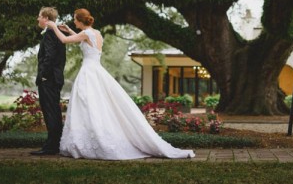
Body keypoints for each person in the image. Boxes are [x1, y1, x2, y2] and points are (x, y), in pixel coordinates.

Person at [46, 8, 194, 160]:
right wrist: (69, 30)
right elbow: (81, 38)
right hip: (96, 70)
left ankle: (91, 140)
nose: (74, 22)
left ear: (80, 20)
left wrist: (54, 27)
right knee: (93, 104)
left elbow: (64, 40)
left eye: (75, 19)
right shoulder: (96, 33)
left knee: (88, 104)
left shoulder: (86, 34)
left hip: (88, 73)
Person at [31, 7, 66, 156]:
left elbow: (50, 56)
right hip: (54, 78)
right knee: (54, 112)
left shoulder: (51, 34)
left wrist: (43, 75)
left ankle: (51, 147)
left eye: (39, 16)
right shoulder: (56, 33)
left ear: (46, 18)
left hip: (49, 79)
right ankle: (52, 144)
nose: (37, 19)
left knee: (51, 112)